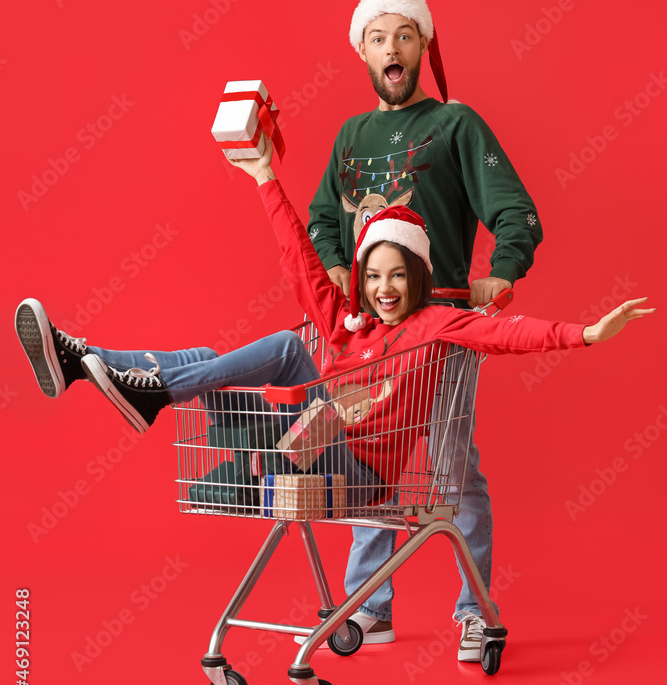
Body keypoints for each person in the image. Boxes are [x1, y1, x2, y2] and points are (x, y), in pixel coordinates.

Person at [16, 143, 651, 597]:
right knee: (223, 361)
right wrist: (265, 176)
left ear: (418, 276)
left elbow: (506, 335)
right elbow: (300, 261)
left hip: (359, 474)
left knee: (291, 369)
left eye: (398, 274)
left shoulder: (434, 326)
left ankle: (147, 390)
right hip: (308, 449)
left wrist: (586, 333)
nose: (384, 288)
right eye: (373, 275)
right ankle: (83, 361)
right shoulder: (353, 325)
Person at [307, 0, 544, 656]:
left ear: (422, 47)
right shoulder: (350, 135)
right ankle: (368, 607)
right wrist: (329, 262)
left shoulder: (456, 124)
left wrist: (503, 267)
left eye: (404, 36)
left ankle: (475, 609)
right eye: (379, 38)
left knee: (450, 468)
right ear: (362, 51)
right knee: (368, 459)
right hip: (367, 330)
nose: (392, 48)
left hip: (439, 319)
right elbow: (324, 216)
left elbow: (514, 207)